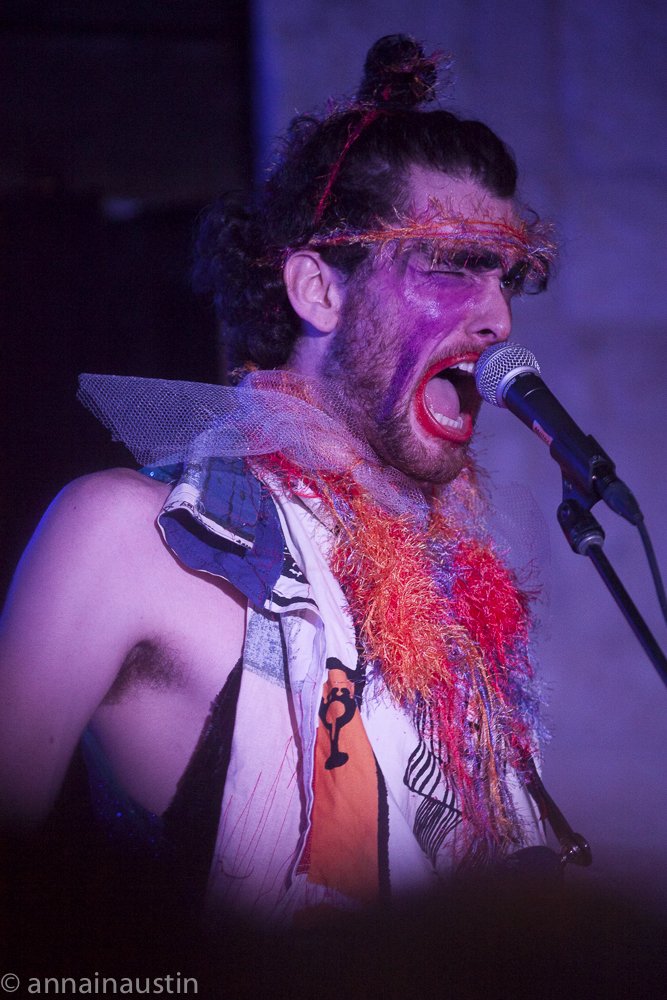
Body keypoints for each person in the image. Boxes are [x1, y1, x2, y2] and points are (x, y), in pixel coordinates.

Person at [0, 36, 563, 930]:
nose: (494, 316)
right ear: (318, 291)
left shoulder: (447, 597)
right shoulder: (124, 534)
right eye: (451, 265)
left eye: (508, 278)